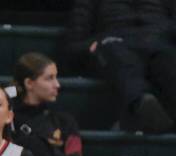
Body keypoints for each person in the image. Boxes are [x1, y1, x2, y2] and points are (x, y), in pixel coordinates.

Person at [66, 0, 176, 133]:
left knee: (167, 62)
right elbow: (75, 44)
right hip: (116, 41)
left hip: (160, 41)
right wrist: (93, 45)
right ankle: (143, 105)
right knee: (119, 58)